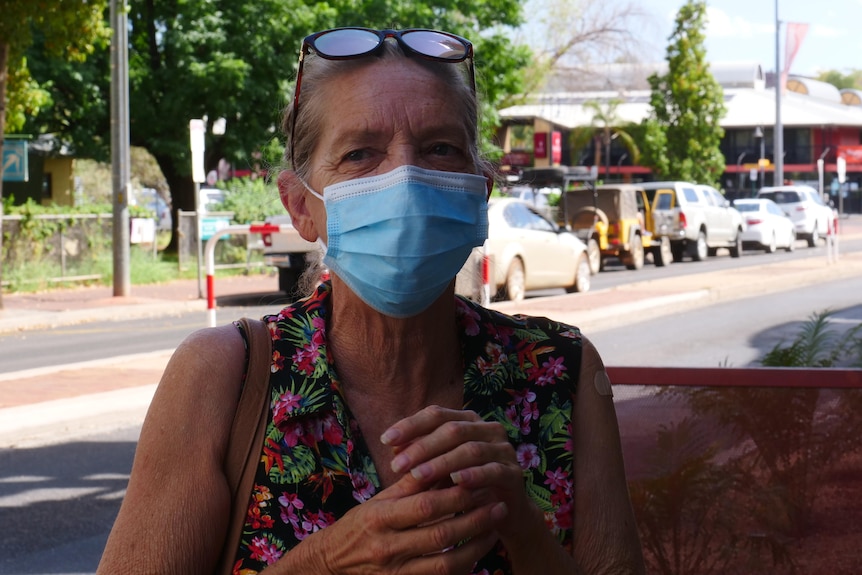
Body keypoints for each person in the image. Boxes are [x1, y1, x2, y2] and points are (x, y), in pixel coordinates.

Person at [97, 27, 645, 574]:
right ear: (301, 207)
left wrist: (522, 529)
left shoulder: (561, 373)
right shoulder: (223, 378)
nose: (405, 178)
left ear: (480, 192)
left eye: (440, 149)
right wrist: (320, 565)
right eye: (360, 154)